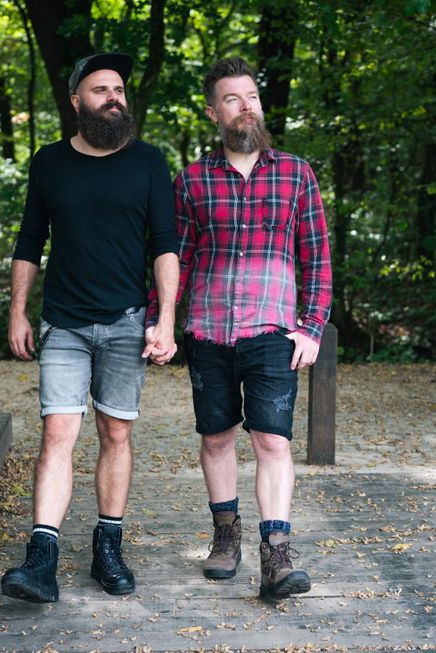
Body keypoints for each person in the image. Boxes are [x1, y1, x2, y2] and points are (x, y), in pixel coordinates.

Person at [148, 57, 331, 599]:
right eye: (232, 99)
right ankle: (225, 536)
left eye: (251, 96)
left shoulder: (296, 174)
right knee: (217, 437)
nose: (246, 106)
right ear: (214, 113)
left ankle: (277, 554)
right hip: (208, 331)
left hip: (274, 332)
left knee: (272, 439)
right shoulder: (191, 180)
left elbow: (317, 258)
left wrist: (312, 327)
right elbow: (175, 259)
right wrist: (162, 321)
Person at [2, 52, 179, 604]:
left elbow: (165, 245)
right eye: (101, 89)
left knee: (116, 435)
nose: (113, 97)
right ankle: (41, 559)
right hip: (64, 323)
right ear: (77, 100)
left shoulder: (148, 161)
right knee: (58, 434)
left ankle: (108, 548)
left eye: (119, 89)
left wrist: (166, 319)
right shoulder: (50, 162)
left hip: (127, 321)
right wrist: (17, 310)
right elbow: (30, 239)